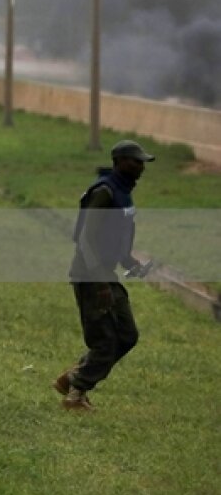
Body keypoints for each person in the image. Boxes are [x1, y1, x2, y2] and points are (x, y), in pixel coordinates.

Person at [56, 139, 154, 411]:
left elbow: (116, 236)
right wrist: (98, 281)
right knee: (105, 341)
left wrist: (129, 261)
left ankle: (73, 378)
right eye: (135, 161)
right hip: (90, 275)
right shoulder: (104, 192)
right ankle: (75, 394)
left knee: (127, 335)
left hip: (106, 273)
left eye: (142, 162)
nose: (140, 167)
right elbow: (86, 239)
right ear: (120, 161)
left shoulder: (123, 193)